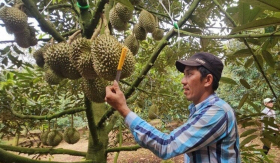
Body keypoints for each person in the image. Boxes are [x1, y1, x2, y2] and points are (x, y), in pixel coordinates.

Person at [105, 52, 241, 163]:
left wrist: (123, 109)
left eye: (189, 74)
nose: (183, 81)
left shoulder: (217, 111)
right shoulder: (199, 110)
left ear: (208, 80)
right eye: (184, 74)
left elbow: (166, 146)